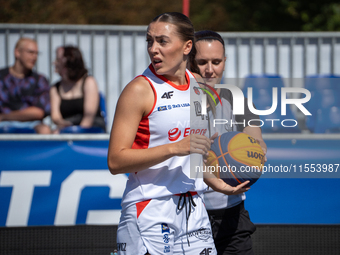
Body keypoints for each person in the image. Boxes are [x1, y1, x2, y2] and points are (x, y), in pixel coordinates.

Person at [107, 12, 250, 255]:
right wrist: (175, 147)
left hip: (195, 207)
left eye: (162, 41)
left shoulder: (200, 87)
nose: (153, 49)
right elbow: (115, 161)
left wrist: (217, 183)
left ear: (187, 47)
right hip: (149, 208)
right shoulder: (139, 89)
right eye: (150, 41)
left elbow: (191, 156)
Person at [192, 30, 267, 255]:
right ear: (190, 63)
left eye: (216, 61)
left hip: (232, 213)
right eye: (202, 62)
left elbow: (258, 143)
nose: (209, 69)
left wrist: (255, 154)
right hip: (192, 213)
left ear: (225, 61)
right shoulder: (178, 102)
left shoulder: (238, 99)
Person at [50, 45, 106, 133]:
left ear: (69, 61)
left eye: (58, 59)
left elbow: (89, 116)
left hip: (91, 128)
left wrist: (77, 134)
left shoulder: (88, 82)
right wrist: (64, 127)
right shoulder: (55, 88)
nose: (54, 63)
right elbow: (56, 117)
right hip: (68, 127)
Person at [0, 37, 51, 134]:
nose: (34, 57)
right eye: (31, 52)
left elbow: (39, 112)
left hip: (31, 124)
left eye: (36, 53)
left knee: (45, 130)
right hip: (2, 125)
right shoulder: (2, 77)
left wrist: (4, 116)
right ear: (17, 52)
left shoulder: (40, 80)